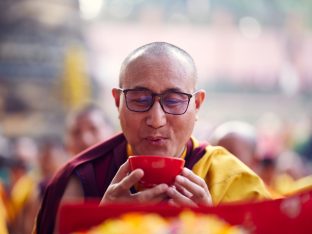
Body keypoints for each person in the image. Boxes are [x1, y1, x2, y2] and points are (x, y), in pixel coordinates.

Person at [35, 42, 271, 234]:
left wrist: (212, 224)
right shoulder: (79, 179)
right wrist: (101, 220)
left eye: (174, 100)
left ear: (197, 105)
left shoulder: (231, 180)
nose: (156, 119)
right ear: (118, 103)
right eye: (139, 99)